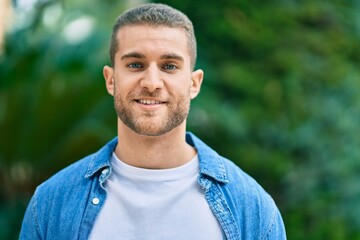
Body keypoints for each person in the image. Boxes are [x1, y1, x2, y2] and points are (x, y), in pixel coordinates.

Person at [20, 3, 286, 239]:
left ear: (194, 83)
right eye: (135, 65)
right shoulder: (51, 204)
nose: (151, 83)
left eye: (169, 66)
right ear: (111, 80)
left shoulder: (253, 209)